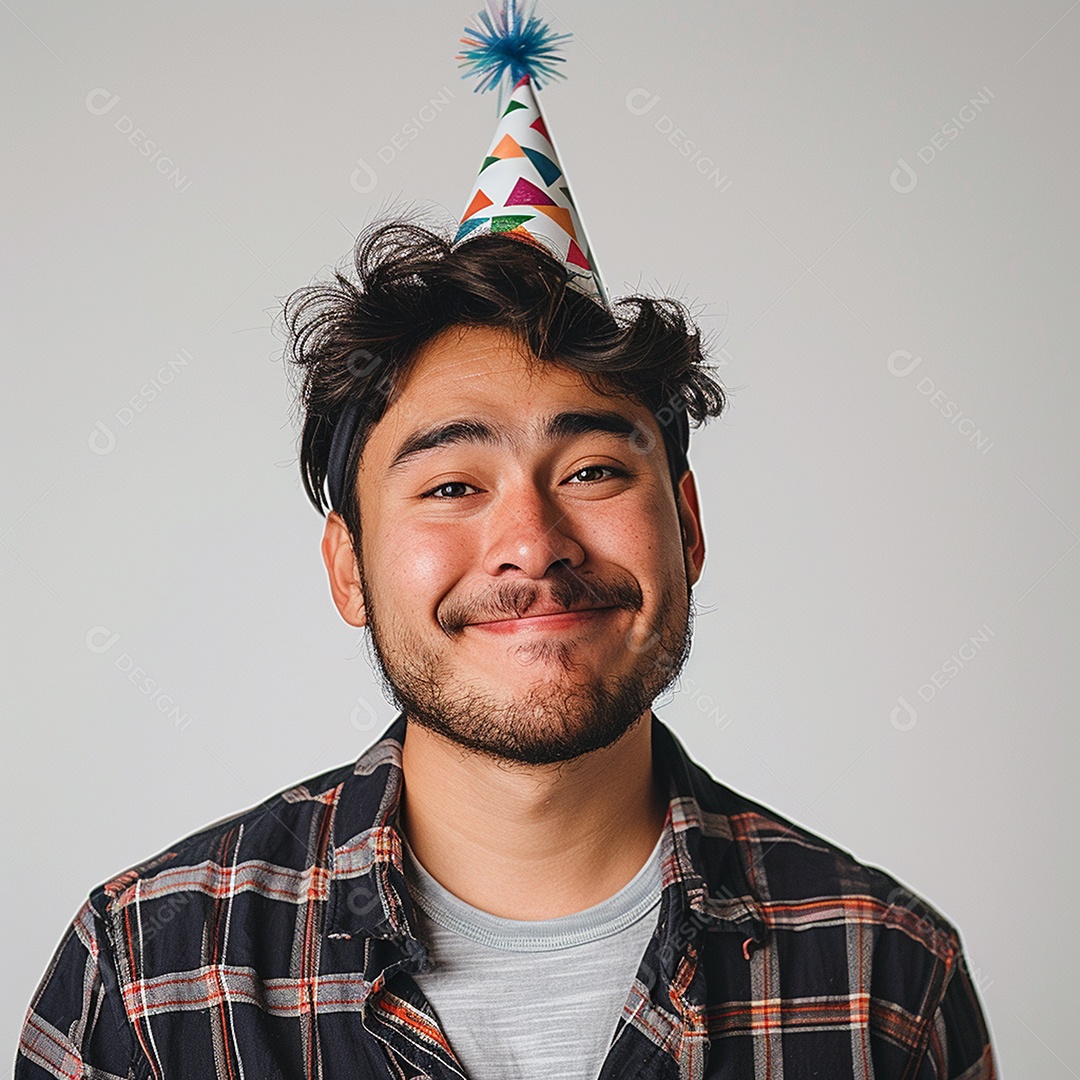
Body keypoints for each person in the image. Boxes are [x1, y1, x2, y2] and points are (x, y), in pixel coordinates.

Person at [15, 5, 997, 1077]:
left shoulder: (884, 977)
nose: (532, 544)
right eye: (451, 484)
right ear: (348, 565)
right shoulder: (149, 981)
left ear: (690, 525)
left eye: (593, 472)